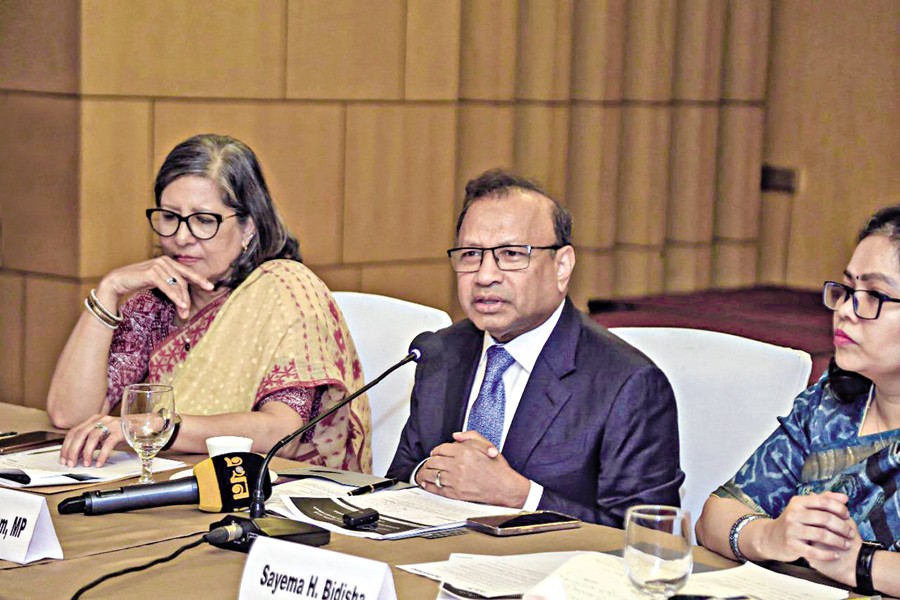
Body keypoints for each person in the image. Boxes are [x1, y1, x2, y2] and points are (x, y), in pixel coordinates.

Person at [47, 134, 371, 473]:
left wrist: (162, 427)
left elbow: (280, 431)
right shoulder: (155, 306)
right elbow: (70, 415)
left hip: (272, 497)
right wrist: (109, 290)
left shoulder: (285, 290)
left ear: (249, 226)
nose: (182, 237)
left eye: (204, 220)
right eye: (170, 217)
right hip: (173, 485)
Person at [387, 169, 684, 526]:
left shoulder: (627, 384)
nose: (484, 275)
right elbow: (401, 472)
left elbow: (649, 534)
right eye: (470, 255)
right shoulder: (441, 352)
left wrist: (522, 497)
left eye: (511, 254)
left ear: (562, 267)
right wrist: (431, 474)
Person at [696, 206, 900, 597]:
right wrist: (768, 536)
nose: (844, 311)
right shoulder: (831, 403)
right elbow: (714, 517)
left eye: (873, 295)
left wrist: (858, 563)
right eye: (847, 290)